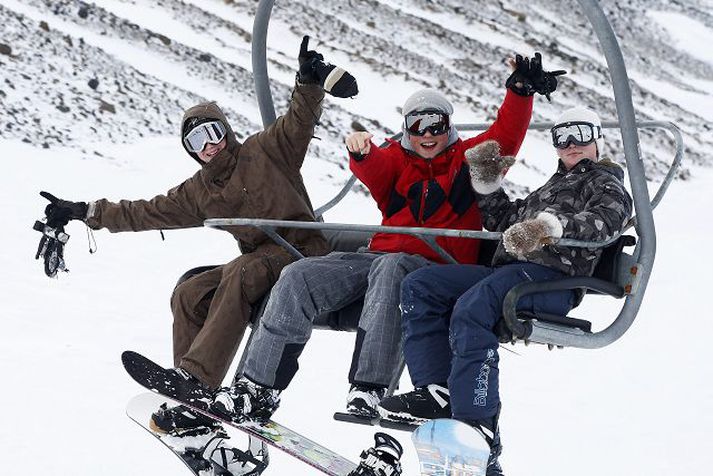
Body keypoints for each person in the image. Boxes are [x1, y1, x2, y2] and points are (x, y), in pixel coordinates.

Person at [207, 54, 565, 422]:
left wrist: (520, 91)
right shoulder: (397, 160)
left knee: (392, 269)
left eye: (436, 124)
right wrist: (361, 152)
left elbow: (505, 137)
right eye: (417, 125)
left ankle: (369, 389)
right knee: (298, 276)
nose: (427, 135)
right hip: (375, 257)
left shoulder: (467, 159)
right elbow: (376, 167)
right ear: (407, 129)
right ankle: (257, 388)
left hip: (435, 265)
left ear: (449, 126)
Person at [38, 36, 358, 434]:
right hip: (259, 262)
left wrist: (308, 81)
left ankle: (198, 381)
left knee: (240, 272)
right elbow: (146, 210)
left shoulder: (267, 150)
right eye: (196, 142)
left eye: (212, 133)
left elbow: (299, 119)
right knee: (190, 291)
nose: (208, 146)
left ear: (225, 130)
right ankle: (188, 393)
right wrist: (86, 212)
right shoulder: (200, 190)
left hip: (300, 252)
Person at [377, 106, 633, 475]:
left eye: (580, 133)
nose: (572, 144)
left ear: (596, 137)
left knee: (472, 308)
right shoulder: (551, 185)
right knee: (421, 286)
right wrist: (487, 182)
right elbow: (504, 223)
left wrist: (546, 228)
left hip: (553, 279)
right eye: (562, 137)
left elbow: (603, 224)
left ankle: (477, 423)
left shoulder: (606, 184)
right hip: (512, 272)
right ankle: (437, 392)